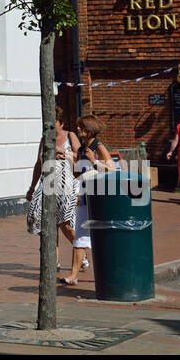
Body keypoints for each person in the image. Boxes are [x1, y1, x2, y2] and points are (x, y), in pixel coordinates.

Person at [63, 115, 116, 286]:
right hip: (84, 197)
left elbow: (112, 171)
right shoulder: (80, 150)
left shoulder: (98, 147)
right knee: (79, 235)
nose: (78, 130)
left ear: (89, 129)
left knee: (103, 235)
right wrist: (72, 161)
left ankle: (110, 272)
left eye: (81, 127)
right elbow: (78, 174)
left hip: (100, 197)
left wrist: (94, 161)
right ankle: (73, 275)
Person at [26, 107, 80, 268]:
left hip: (68, 186)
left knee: (66, 224)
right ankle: (53, 262)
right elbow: (38, 164)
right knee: (49, 225)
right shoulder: (44, 140)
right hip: (48, 185)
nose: (49, 126)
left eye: (53, 123)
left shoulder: (70, 136)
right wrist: (31, 187)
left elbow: (81, 157)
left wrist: (62, 152)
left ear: (61, 123)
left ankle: (81, 253)